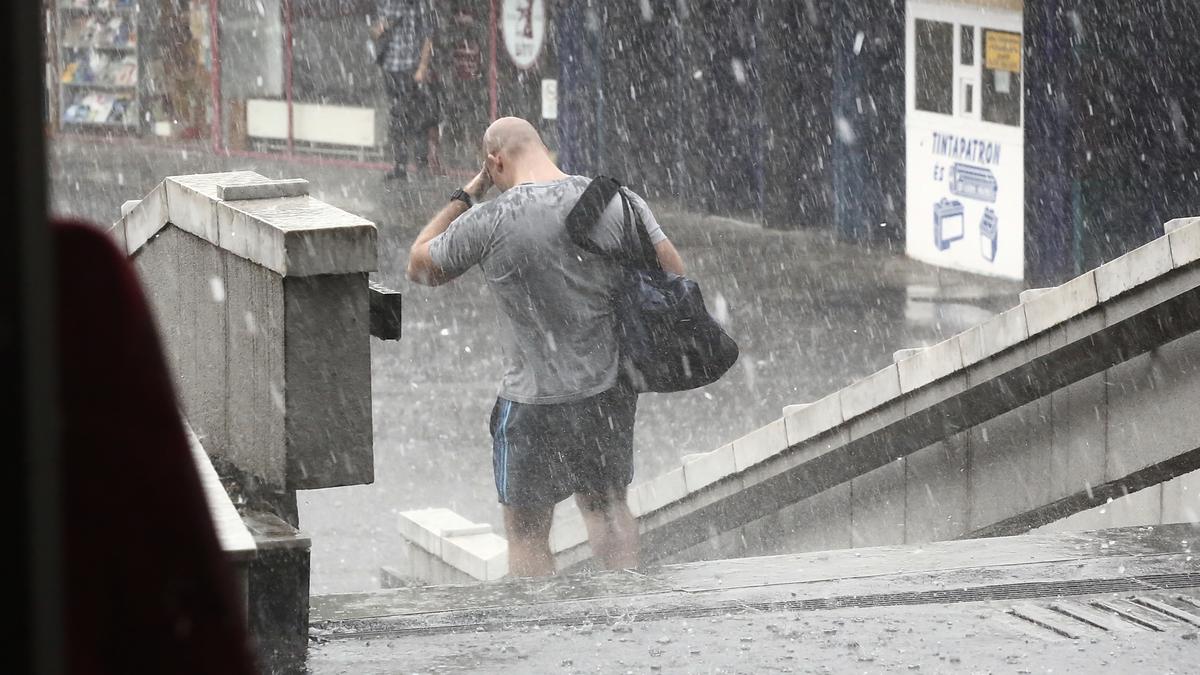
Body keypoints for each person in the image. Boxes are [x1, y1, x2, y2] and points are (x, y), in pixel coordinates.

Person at [406, 117, 685, 577]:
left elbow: (419, 263)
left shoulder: (491, 219)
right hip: (604, 394)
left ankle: (538, 626)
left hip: (529, 403)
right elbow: (673, 273)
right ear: (544, 148)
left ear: (495, 162)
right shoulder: (615, 199)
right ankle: (624, 611)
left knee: (528, 533)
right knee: (609, 509)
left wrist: (468, 193)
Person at [371, 0, 438, 181]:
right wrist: (383, 26)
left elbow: (428, 35)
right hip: (390, 67)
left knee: (417, 118)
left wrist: (422, 67)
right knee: (396, 118)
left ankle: (421, 167)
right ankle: (399, 166)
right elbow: (375, 31)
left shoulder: (419, 4)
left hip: (411, 67)